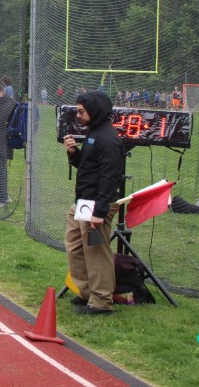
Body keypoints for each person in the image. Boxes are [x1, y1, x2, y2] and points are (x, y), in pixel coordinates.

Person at [62, 90, 124, 315]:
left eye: (82, 111)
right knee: (75, 247)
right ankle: (87, 292)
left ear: (95, 110)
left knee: (96, 252)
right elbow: (88, 167)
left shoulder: (108, 138)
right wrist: (73, 153)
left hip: (96, 204)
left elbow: (110, 176)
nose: (78, 116)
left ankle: (101, 301)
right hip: (83, 202)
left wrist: (100, 211)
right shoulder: (93, 133)